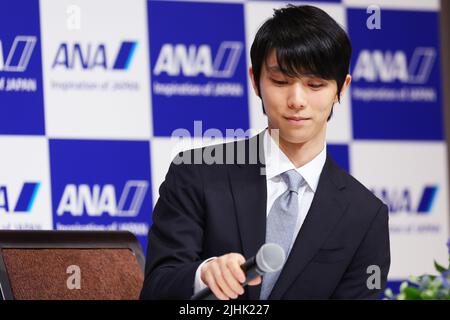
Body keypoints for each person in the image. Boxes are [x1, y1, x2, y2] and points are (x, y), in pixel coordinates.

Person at [140, 4, 390, 300]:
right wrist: (203, 274)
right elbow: (156, 289)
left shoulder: (365, 214)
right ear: (255, 81)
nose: (296, 100)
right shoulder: (196, 173)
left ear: (342, 88)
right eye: (281, 81)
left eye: (315, 84)